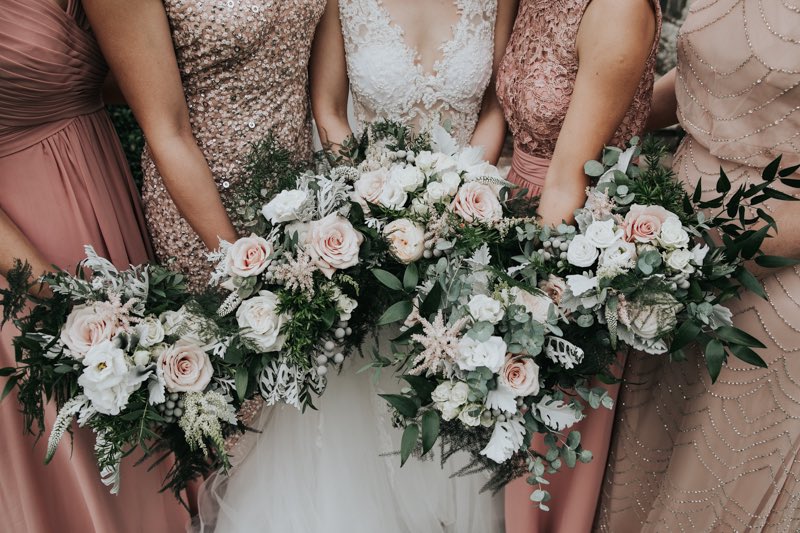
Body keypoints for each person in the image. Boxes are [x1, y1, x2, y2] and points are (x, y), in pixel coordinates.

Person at [194, 0, 516, 531]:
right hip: (365, 230)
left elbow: (494, 106)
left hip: (465, 225)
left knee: (460, 397)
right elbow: (328, 108)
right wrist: (381, 202)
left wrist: (460, 190)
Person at [596, 1, 800, 530]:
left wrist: (717, 255)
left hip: (773, 273)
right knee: (646, 456)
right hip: (665, 247)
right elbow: (701, 76)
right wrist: (587, 124)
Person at [0, 0, 187, 530]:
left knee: (157, 420)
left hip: (110, 219)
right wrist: (61, 296)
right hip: (25, 264)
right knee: (90, 453)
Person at [495, 0, 660, 530]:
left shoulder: (618, 10)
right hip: (515, 211)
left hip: (568, 251)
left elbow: (568, 182)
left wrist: (521, 298)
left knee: (540, 457)